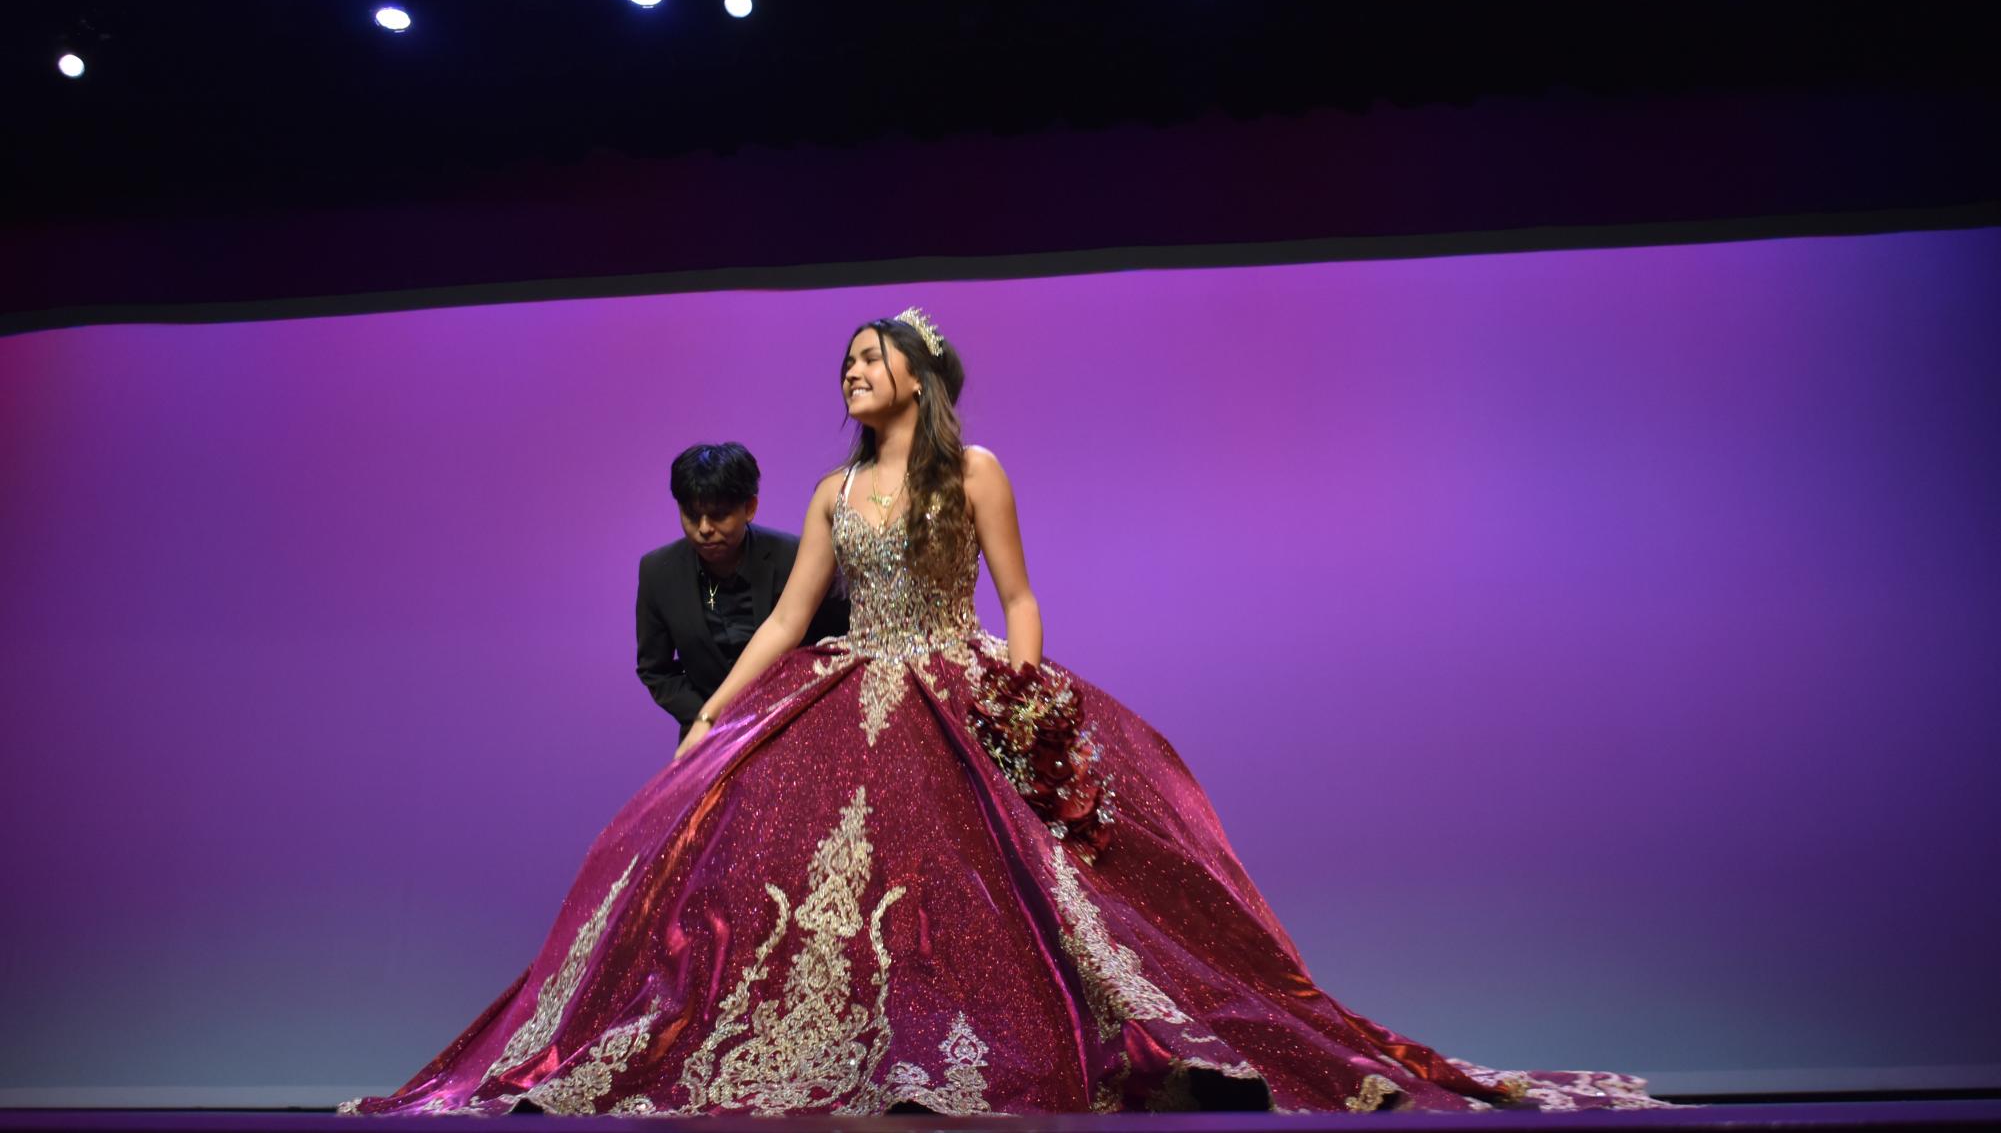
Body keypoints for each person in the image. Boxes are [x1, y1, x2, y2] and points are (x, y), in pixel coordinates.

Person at [338, 308, 1670, 1116]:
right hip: (852, 684)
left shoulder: (975, 466)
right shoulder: (832, 491)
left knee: (1021, 884)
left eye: (868, 358)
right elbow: (796, 616)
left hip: (957, 675)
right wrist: (705, 725)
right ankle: (855, 1053)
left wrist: (1025, 678)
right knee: (797, 884)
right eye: (843, 361)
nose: (849, 374)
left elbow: (1023, 593)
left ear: (915, 370)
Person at [637, 442, 850, 740]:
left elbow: (841, 642)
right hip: (708, 738)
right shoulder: (657, 572)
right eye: (691, 515)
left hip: (797, 729)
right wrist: (707, 718)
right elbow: (656, 671)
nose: (704, 528)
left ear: (750, 508)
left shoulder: (796, 559)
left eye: (719, 515)